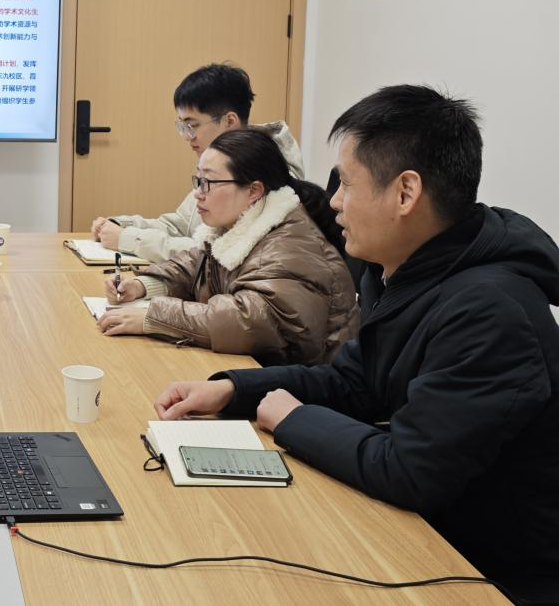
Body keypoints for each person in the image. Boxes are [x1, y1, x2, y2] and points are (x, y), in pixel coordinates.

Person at [154, 86, 559, 601]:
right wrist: (236, 390)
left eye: (346, 184)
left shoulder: (489, 310)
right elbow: (355, 382)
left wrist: (294, 419)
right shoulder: (400, 269)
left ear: (406, 193)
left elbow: (411, 470)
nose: (334, 202)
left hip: (486, 573)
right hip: (426, 538)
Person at [99, 129, 357, 366]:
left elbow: (248, 320)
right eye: (198, 180)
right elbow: (195, 265)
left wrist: (154, 316)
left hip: (303, 390)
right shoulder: (241, 224)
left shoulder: (290, 247)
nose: (198, 193)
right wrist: (143, 286)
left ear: (254, 191)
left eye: (209, 183)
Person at [91, 63, 303, 261]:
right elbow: (180, 225)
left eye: (192, 125)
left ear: (229, 121)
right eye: (182, 127)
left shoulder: (270, 176)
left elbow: (216, 253)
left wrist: (129, 239)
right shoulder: (219, 164)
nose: (187, 136)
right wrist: (121, 225)